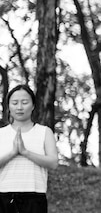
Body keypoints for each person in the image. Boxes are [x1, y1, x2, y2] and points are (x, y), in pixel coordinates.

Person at [0, 84, 59, 213]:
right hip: (4, 196)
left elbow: (53, 163)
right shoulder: (1, 134)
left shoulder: (45, 132)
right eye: (15, 103)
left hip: (35, 197)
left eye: (25, 102)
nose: (19, 107)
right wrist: (13, 153)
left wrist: (26, 153)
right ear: (9, 106)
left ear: (33, 106)